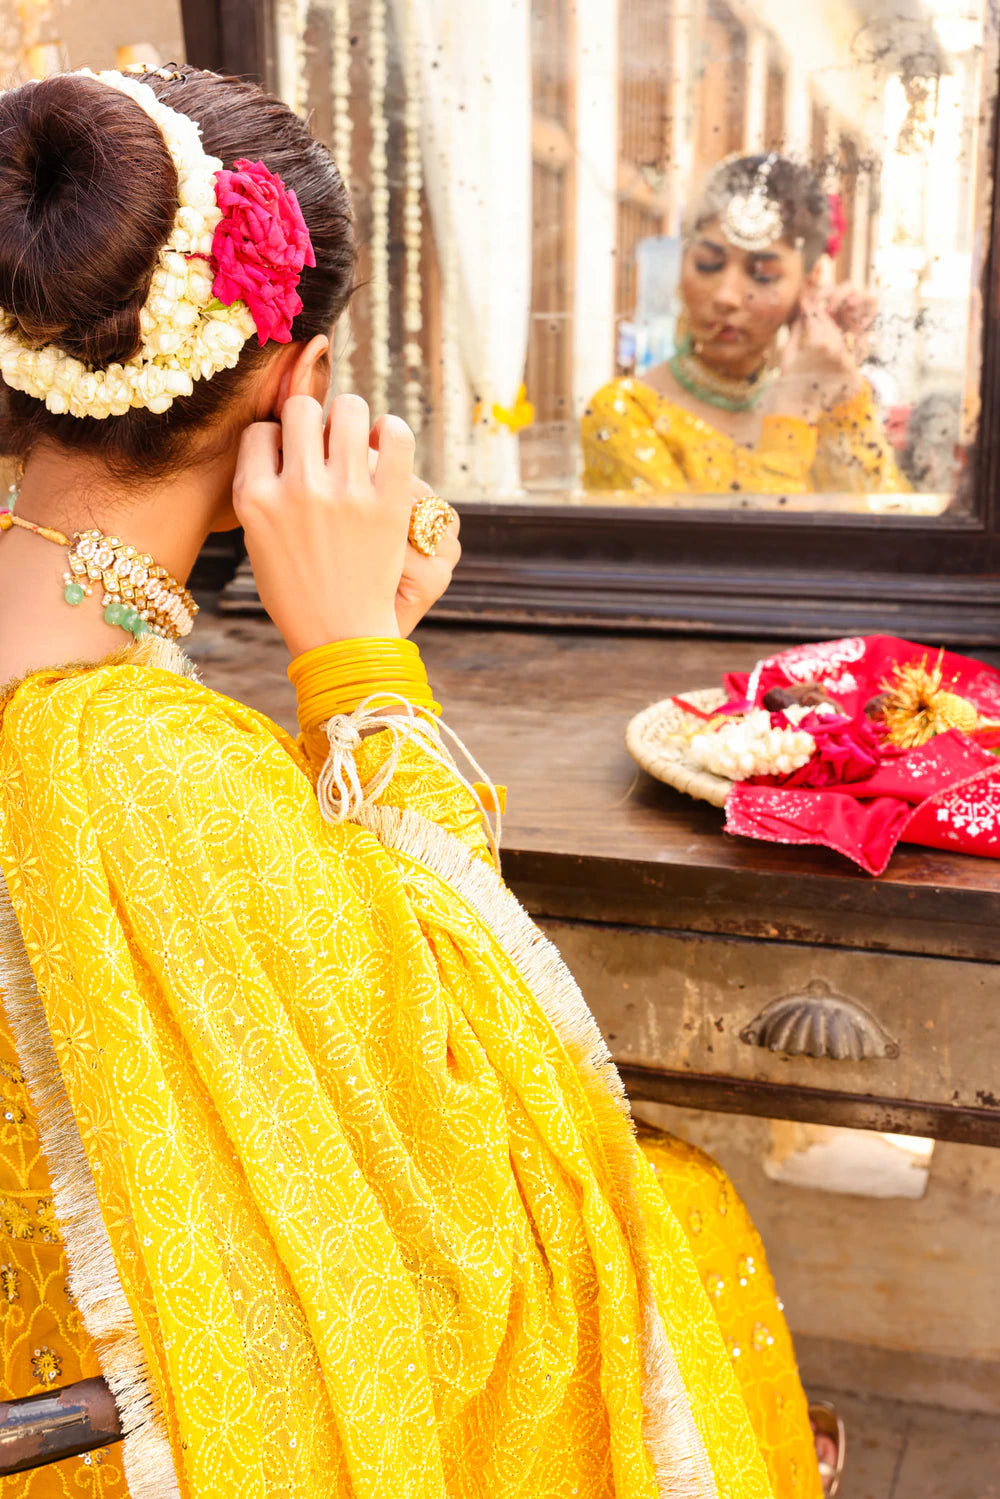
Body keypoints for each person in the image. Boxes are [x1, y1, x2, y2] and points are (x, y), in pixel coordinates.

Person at [0, 68, 827, 1499]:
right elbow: (465, 1082)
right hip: (146, 1413)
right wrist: (366, 668)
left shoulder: (96, 686)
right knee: (675, 1202)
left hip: (55, 1322)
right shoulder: (131, 753)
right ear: (299, 385)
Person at [583, 153, 906, 497]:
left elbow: (886, 529)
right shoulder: (624, 412)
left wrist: (841, 391)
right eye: (707, 265)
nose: (727, 297)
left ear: (807, 286)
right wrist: (791, 419)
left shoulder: (819, 404)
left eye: (763, 276)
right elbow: (747, 548)